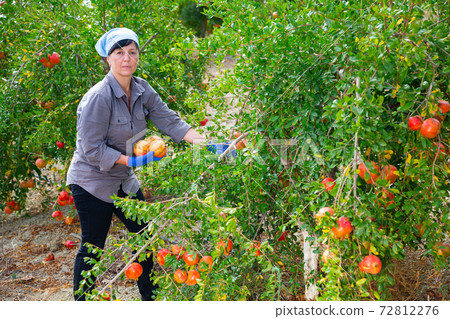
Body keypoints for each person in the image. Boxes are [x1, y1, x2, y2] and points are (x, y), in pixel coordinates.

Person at [66, 27, 207, 301]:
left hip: (124, 179)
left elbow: (169, 120)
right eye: (119, 53)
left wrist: (203, 142)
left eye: (132, 52)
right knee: (93, 245)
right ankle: (82, 304)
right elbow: (91, 148)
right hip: (92, 181)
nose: (126, 58)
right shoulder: (99, 97)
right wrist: (132, 159)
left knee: (145, 237)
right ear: (108, 59)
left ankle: (149, 300)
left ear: (138, 56)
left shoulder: (142, 89)